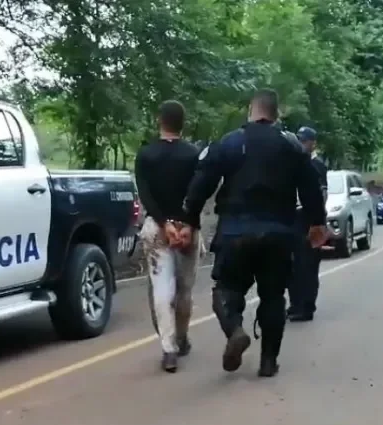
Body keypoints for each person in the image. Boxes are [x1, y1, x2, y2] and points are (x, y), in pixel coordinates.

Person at [179, 89, 328, 377]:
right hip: (278, 234)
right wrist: (317, 223)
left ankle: (235, 330)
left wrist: (190, 219)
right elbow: (310, 187)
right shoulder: (292, 147)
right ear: (276, 114)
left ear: (251, 110)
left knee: (226, 289)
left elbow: (202, 182)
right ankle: (268, 362)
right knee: (273, 296)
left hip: (236, 232)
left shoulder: (230, 143)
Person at [134, 100, 202, 373]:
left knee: (162, 290)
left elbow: (146, 195)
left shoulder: (146, 155)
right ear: (183, 123)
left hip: (157, 230)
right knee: (185, 289)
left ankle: (169, 349)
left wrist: (164, 224)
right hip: (188, 229)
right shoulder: (193, 155)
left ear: (159, 121)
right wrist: (187, 224)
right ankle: (183, 337)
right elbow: (198, 192)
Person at [287, 126, 328, 322]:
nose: (302, 144)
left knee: (308, 265)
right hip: (292, 218)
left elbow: (321, 196)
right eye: (300, 140)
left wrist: (318, 221)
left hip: (310, 219)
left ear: (313, 143)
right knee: (292, 265)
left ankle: (307, 306)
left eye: (305, 141)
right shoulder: (291, 163)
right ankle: (295, 304)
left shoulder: (316, 166)